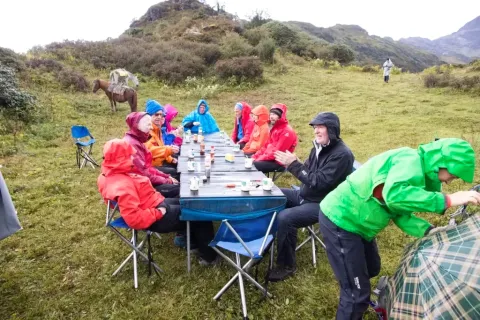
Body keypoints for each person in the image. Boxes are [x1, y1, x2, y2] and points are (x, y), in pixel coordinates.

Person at [318, 138, 480, 320]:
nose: (451, 181)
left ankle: (354, 283)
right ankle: (354, 299)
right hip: (341, 220)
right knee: (356, 296)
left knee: (372, 268)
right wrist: (447, 200)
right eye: (454, 175)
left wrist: (428, 231)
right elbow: (394, 197)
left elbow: (399, 212)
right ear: (442, 163)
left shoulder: (420, 177)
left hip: (360, 226)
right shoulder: (409, 160)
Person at [97, 139, 218, 265]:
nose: (133, 158)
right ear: (121, 158)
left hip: (153, 203)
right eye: (129, 156)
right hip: (154, 217)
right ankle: (209, 258)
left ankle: (192, 242)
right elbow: (134, 219)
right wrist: (158, 212)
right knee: (200, 212)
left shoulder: (109, 173)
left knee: (189, 201)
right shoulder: (123, 185)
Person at [267, 112, 354, 282]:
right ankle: (266, 239)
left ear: (332, 129)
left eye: (320, 127)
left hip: (323, 203)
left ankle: (286, 265)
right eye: (315, 128)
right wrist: (296, 164)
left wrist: (294, 164)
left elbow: (319, 181)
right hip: (305, 194)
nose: (316, 131)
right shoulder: (318, 147)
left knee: (285, 218)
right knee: (273, 193)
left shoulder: (342, 155)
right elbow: (307, 171)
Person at [123, 112, 180, 198]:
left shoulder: (139, 140)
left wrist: (166, 177)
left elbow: (148, 167)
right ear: (137, 126)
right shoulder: (133, 145)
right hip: (140, 186)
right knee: (178, 190)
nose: (151, 127)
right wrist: (167, 180)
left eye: (162, 115)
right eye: (148, 124)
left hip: (146, 178)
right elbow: (144, 174)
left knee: (177, 180)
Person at [252, 104, 297, 173]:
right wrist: (254, 157)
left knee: (253, 165)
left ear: (280, 116)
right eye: (271, 114)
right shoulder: (275, 129)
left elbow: (277, 153)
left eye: (274, 114)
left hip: (279, 162)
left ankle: (255, 183)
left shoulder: (287, 132)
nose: (271, 117)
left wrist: (258, 159)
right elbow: (265, 146)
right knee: (249, 160)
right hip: (269, 158)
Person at [144, 100, 180, 178]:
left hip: (160, 160)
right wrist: (169, 149)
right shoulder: (147, 131)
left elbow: (161, 146)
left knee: (180, 164)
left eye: (161, 115)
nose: (159, 117)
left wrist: (170, 159)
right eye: (156, 114)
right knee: (177, 172)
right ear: (149, 116)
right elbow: (150, 151)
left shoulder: (157, 129)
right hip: (152, 166)